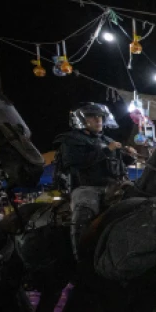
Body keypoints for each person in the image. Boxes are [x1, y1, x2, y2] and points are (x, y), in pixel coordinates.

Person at [58, 103, 135, 259]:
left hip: (114, 186)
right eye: (92, 117)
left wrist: (129, 155)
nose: (98, 119)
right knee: (84, 210)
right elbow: (75, 162)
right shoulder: (71, 140)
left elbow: (117, 163)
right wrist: (107, 150)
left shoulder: (108, 139)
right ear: (81, 120)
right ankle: (80, 256)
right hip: (87, 187)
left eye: (100, 116)